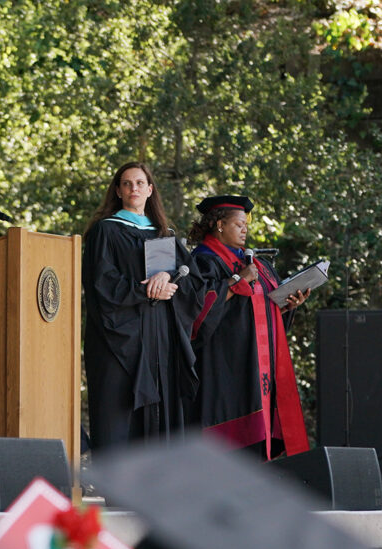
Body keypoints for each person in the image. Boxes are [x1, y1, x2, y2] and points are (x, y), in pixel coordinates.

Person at [82, 162, 203, 453]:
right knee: (118, 409)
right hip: (120, 339)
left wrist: (168, 278)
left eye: (139, 183)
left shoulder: (163, 235)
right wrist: (145, 289)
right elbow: (101, 282)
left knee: (162, 409)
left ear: (150, 190)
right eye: (126, 183)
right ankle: (117, 488)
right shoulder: (106, 231)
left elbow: (192, 281)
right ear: (118, 191)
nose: (133, 188)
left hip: (160, 338)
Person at [187, 195, 309, 460]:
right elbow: (196, 314)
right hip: (223, 366)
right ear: (219, 225)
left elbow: (262, 308)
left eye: (246, 224)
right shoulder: (203, 262)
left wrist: (287, 305)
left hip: (255, 365)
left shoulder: (254, 265)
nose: (245, 229)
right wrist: (235, 281)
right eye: (239, 224)